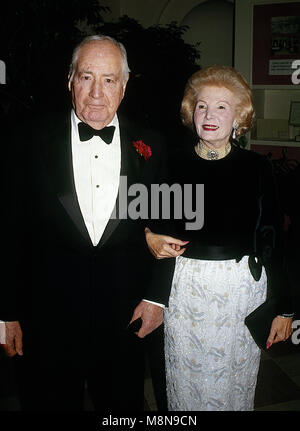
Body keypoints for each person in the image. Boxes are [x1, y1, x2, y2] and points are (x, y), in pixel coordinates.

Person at [0, 35, 170, 411]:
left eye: (109, 79)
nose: (96, 92)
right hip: (45, 322)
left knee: (123, 408)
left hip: (124, 319)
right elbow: (8, 230)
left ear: (124, 87)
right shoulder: (27, 141)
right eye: (86, 77)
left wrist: (157, 297)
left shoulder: (152, 145)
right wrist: (6, 313)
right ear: (69, 80)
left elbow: (165, 226)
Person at [145, 65, 294, 411]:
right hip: (186, 290)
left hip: (241, 290)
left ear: (238, 116)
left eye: (222, 107)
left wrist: (286, 307)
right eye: (201, 105)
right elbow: (148, 220)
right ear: (190, 111)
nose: (209, 115)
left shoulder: (257, 167)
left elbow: (273, 238)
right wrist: (149, 234)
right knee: (184, 382)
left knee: (233, 384)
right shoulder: (172, 163)